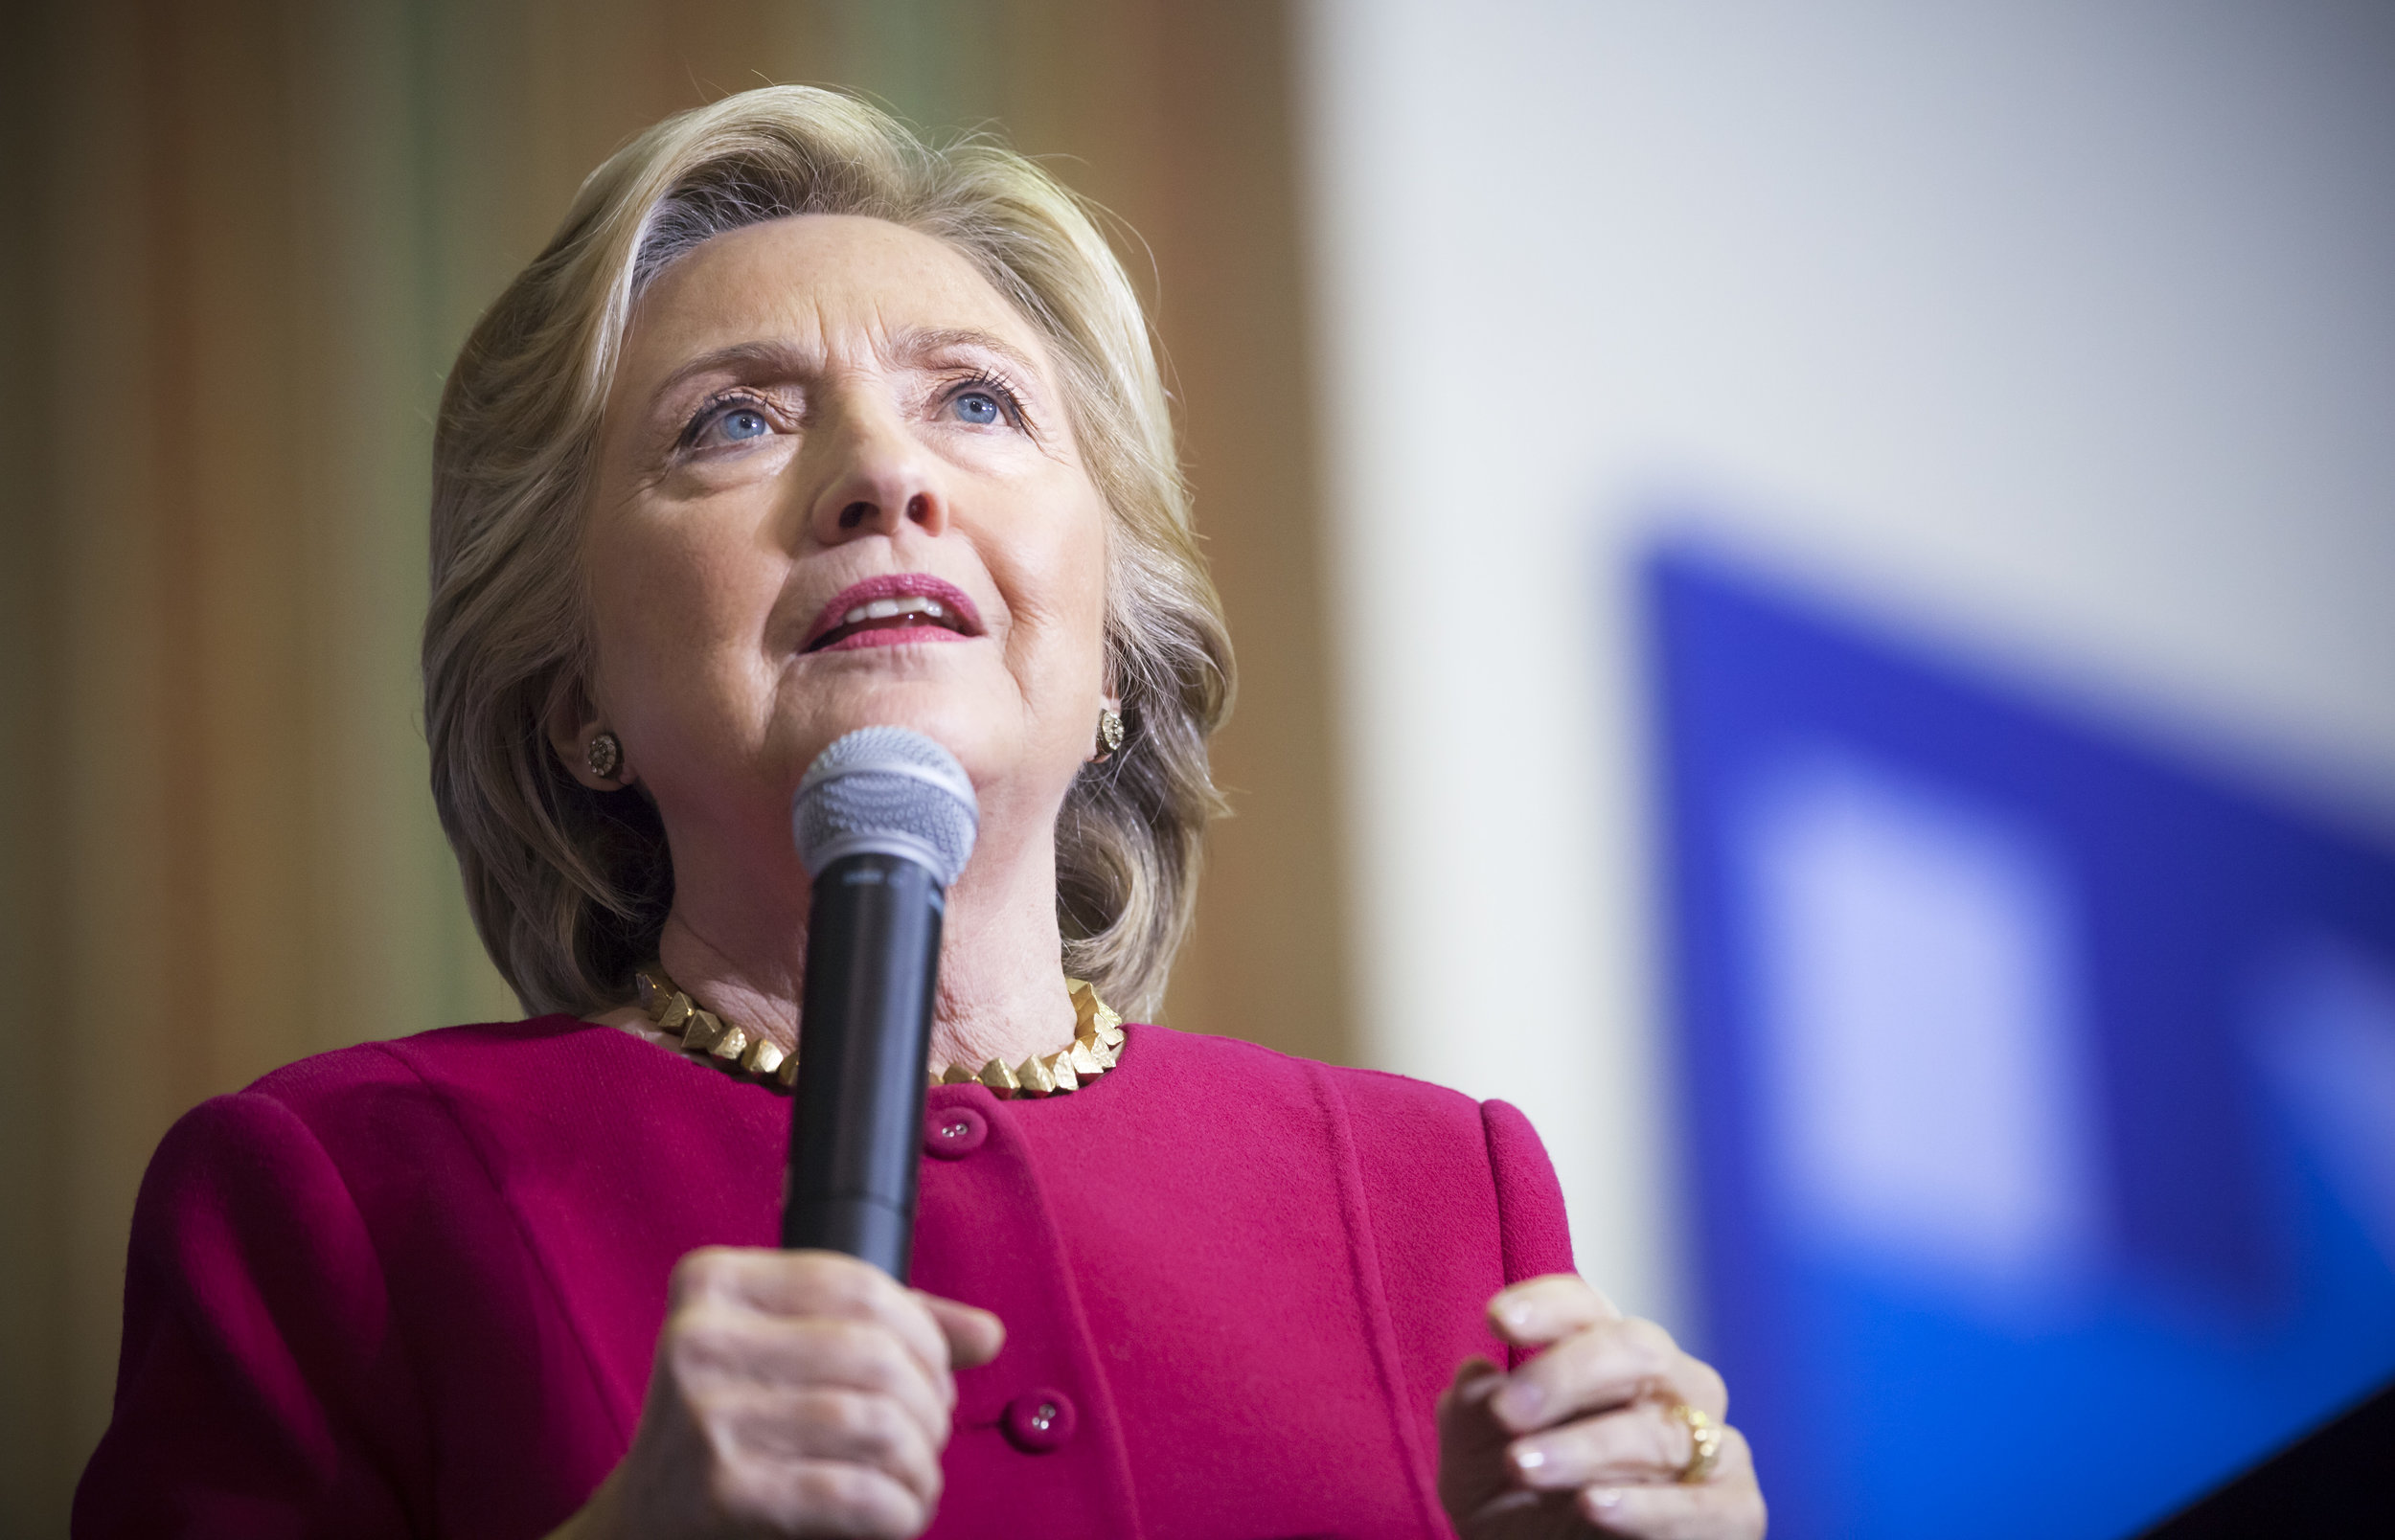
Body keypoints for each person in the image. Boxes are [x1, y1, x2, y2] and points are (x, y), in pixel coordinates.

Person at [74, 86, 1765, 1540]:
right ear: (571, 694)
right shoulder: (340, 1197)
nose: (892, 475)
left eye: (976, 400)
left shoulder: (1433, 1194)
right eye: (734, 420)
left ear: (1108, 652)